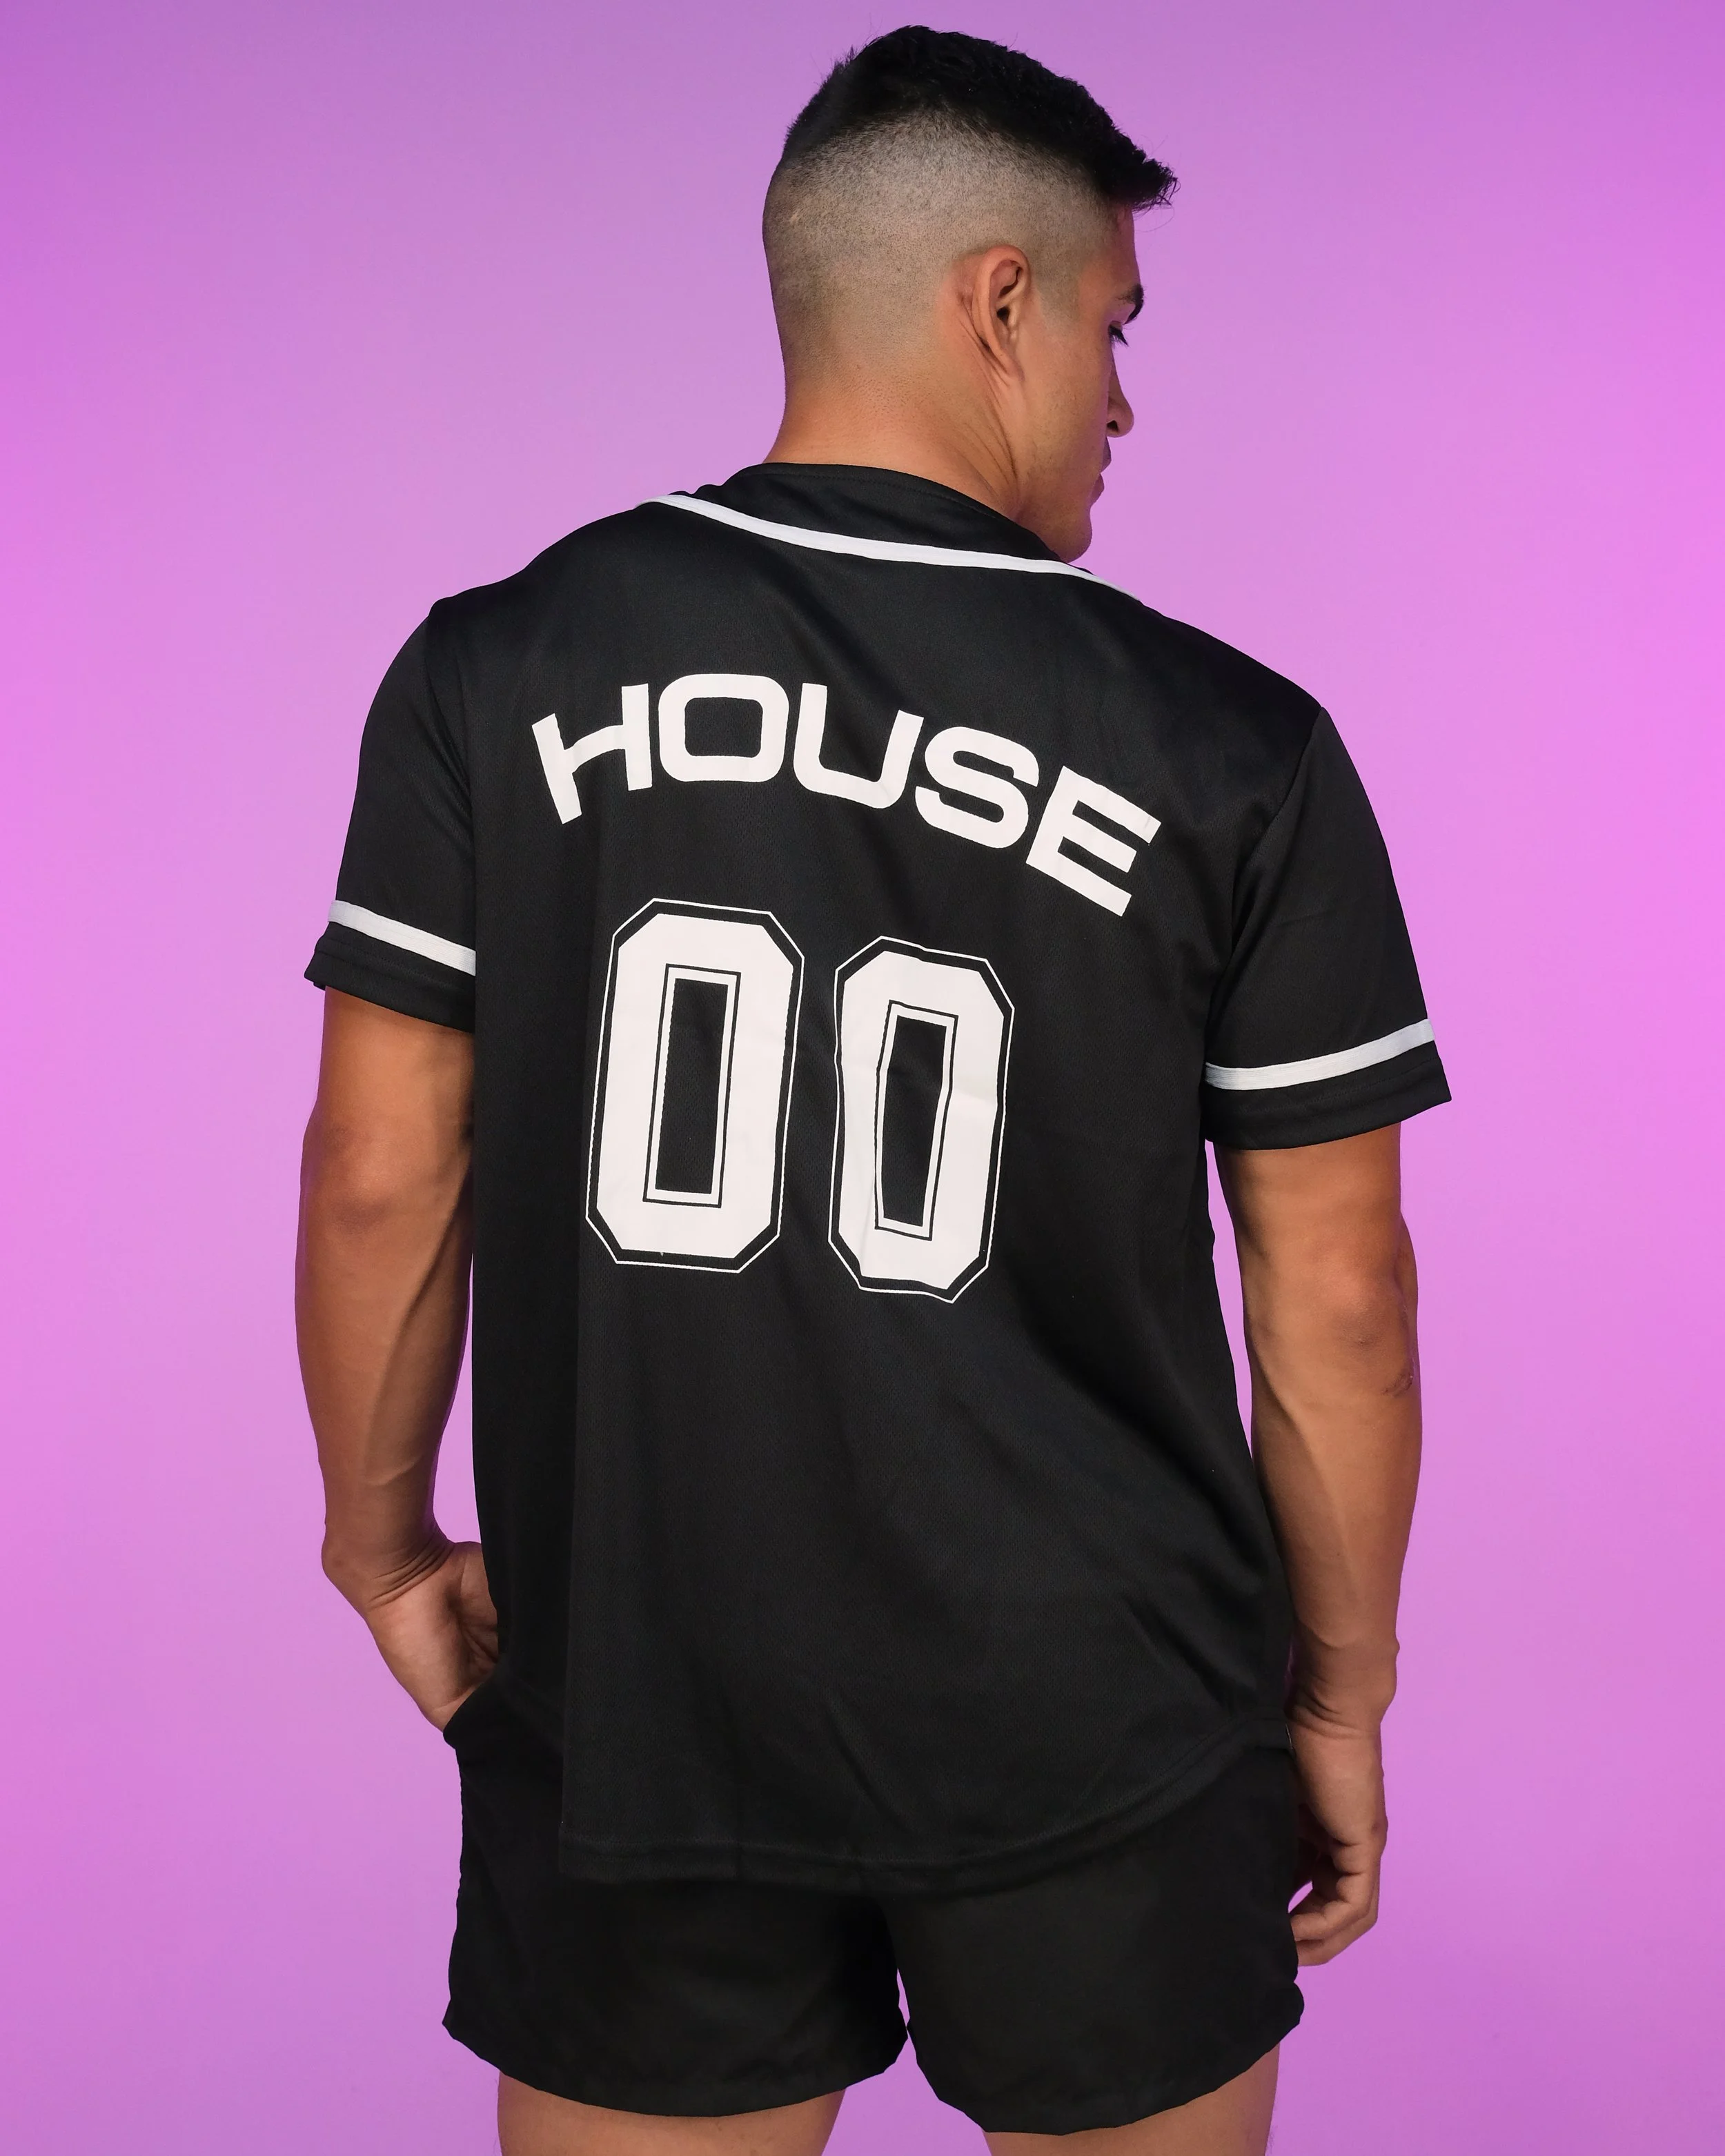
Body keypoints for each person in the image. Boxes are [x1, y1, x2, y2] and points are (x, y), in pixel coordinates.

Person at [296, 26, 1447, 2156]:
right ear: (998, 302)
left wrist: (382, 1544)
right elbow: (1339, 1293)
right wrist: (1340, 1689)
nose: (1123, 397)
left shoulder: (493, 667)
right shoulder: (1232, 746)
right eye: (1111, 324)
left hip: (633, 1685)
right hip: (1105, 1708)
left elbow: (382, 1174)